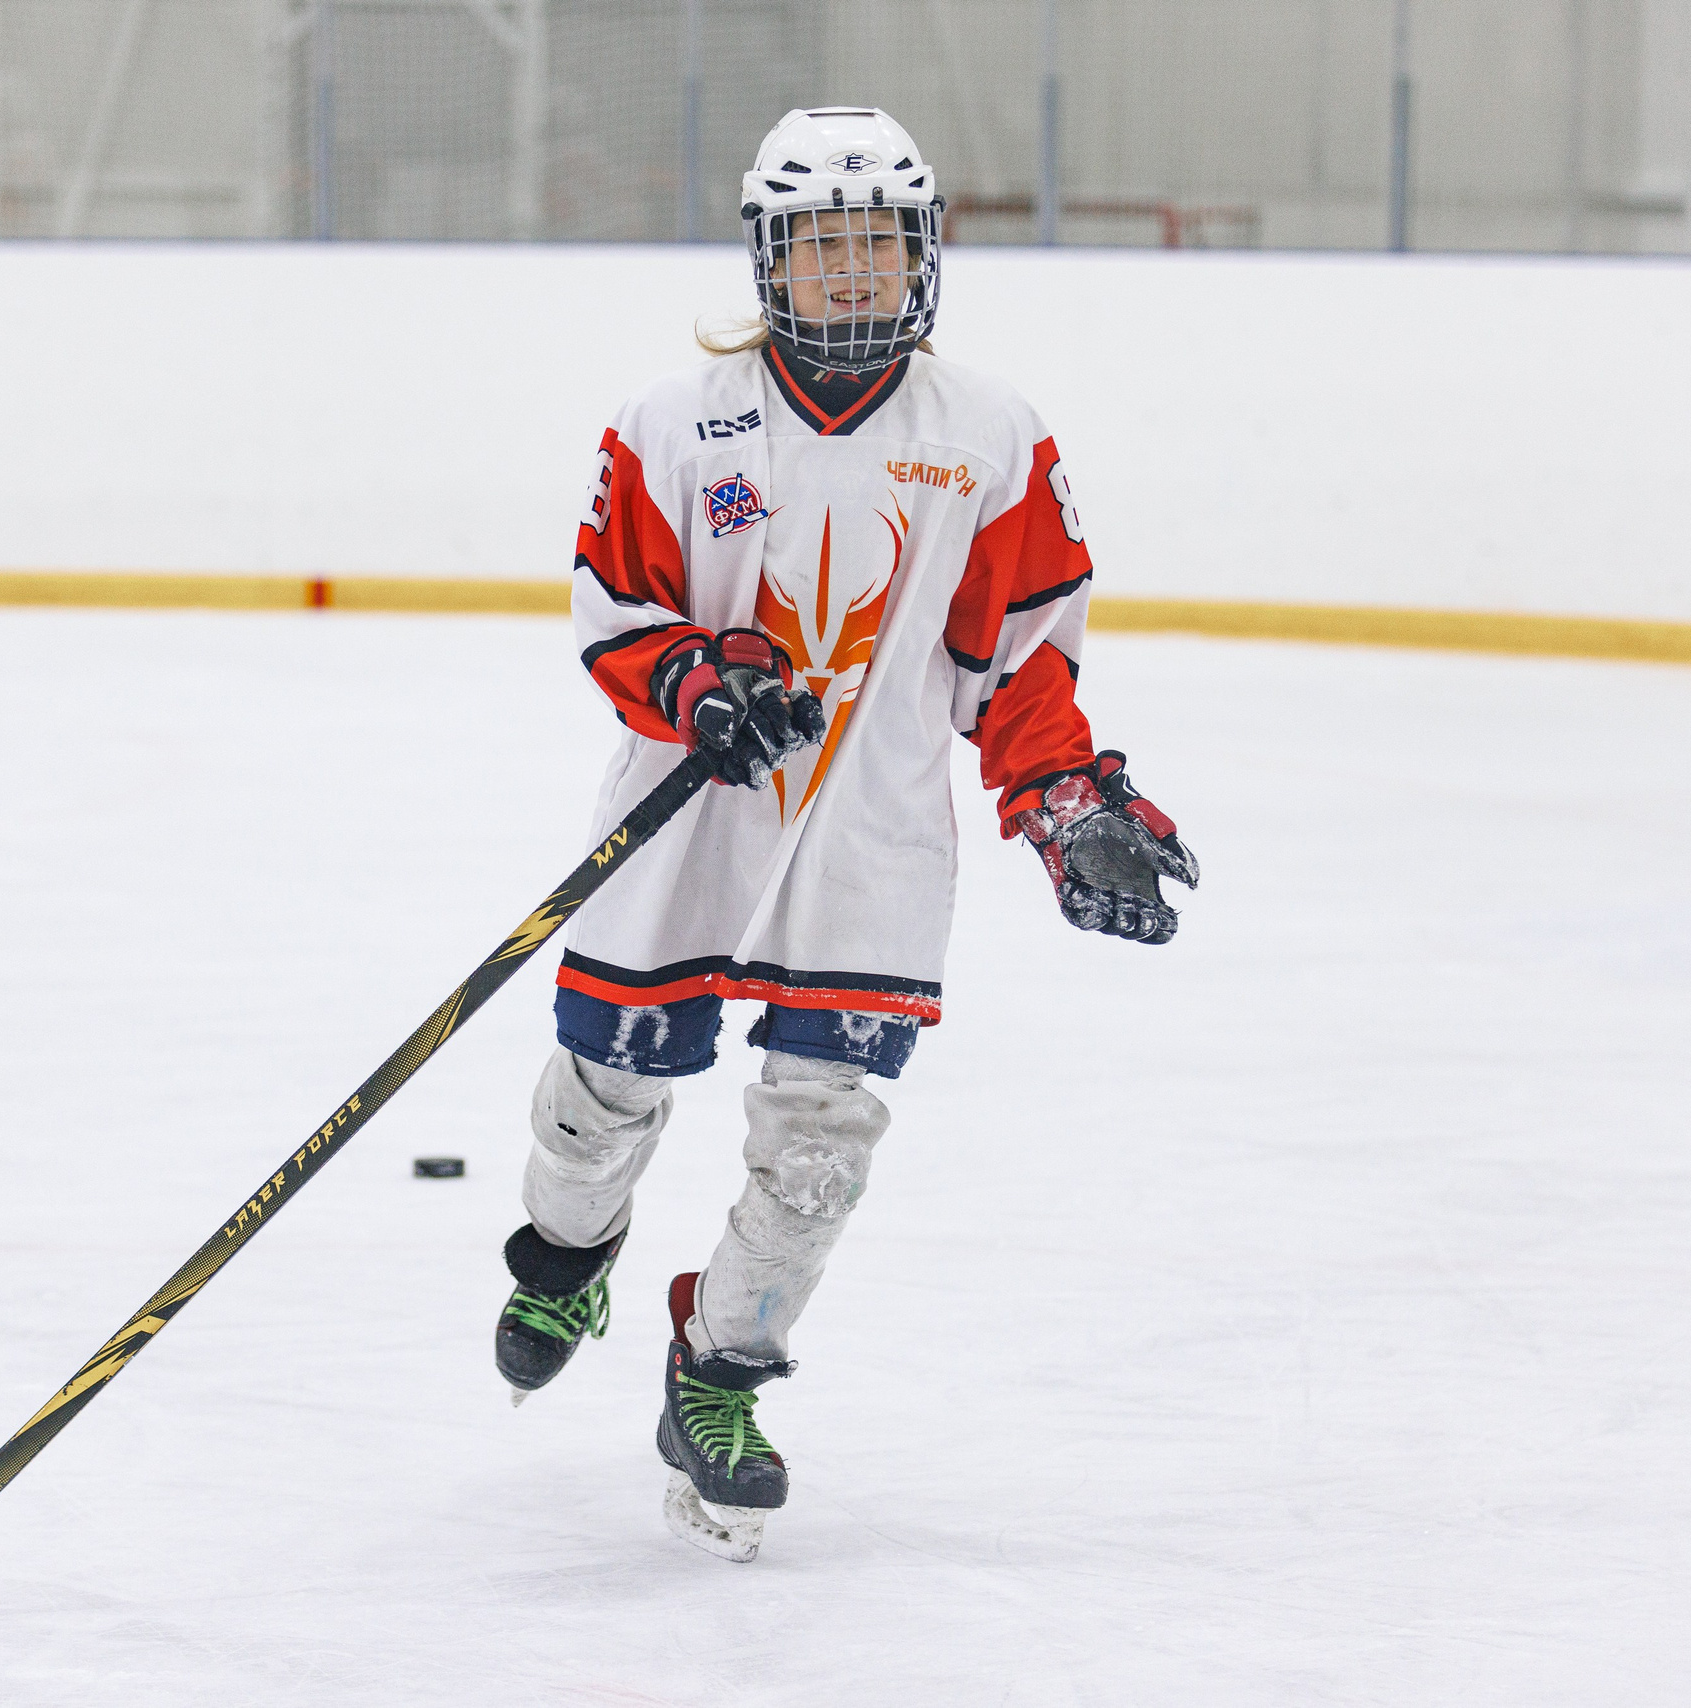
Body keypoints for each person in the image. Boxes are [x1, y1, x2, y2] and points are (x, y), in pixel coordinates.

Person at [493, 108, 1200, 1562]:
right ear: (770, 263)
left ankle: (722, 1374)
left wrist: (1066, 802)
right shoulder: (671, 425)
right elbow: (616, 607)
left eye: (880, 248)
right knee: (597, 1098)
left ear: (924, 259)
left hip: (871, 838)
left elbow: (1020, 663)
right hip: (686, 822)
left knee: (822, 1145)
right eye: (824, 251)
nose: (855, 279)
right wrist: (696, 680)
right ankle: (569, 1252)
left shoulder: (990, 440)